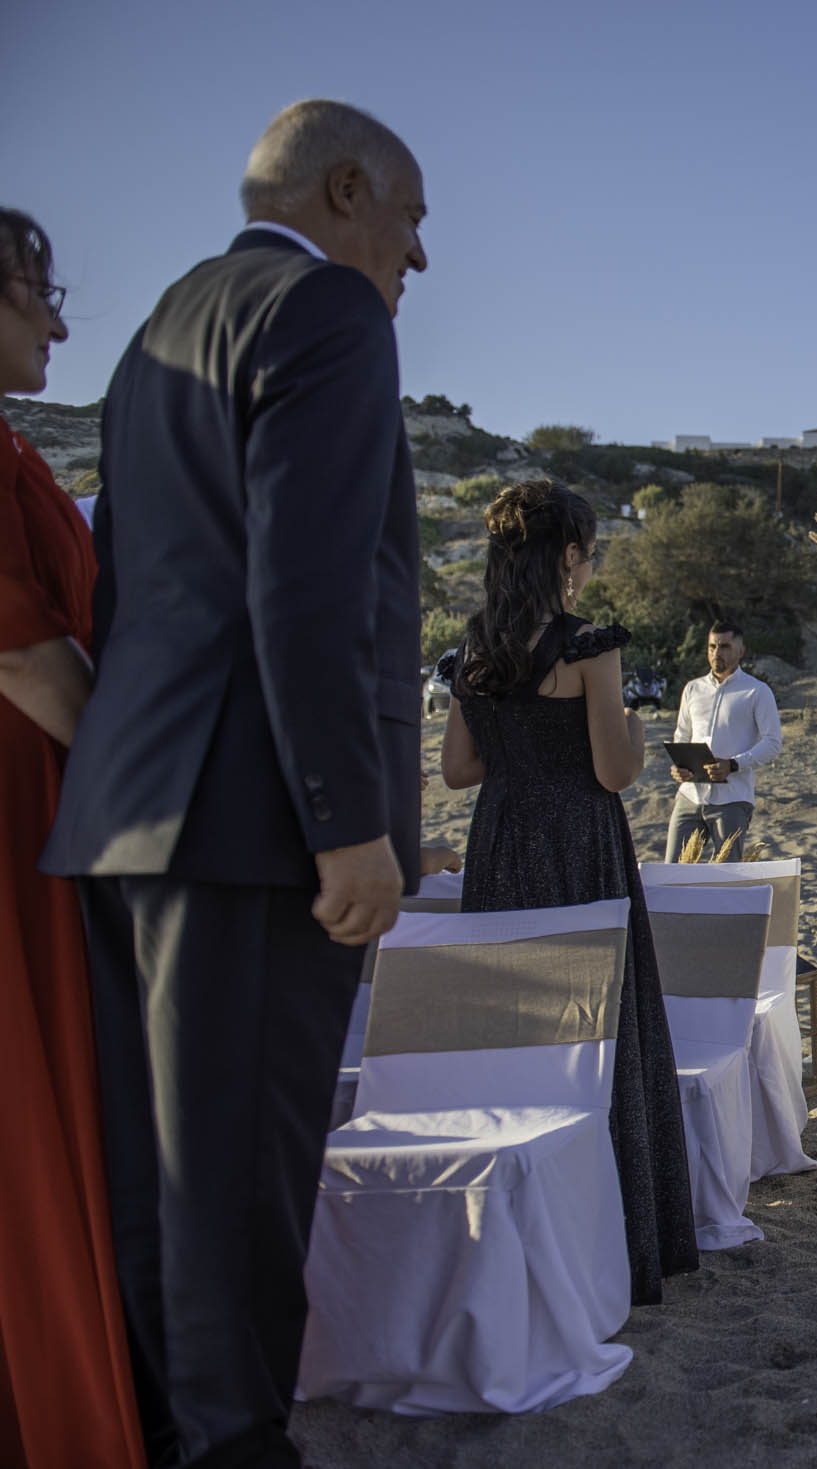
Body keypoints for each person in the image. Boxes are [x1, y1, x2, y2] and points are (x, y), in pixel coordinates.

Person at [39, 101, 429, 1468]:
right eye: (411, 218)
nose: (417, 258)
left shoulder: (155, 335)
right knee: (243, 1183)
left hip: (123, 810)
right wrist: (348, 824)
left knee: (157, 1174)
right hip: (257, 818)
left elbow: (133, 579)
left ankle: (166, 1433)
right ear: (343, 191)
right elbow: (307, 589)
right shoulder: (325, 313)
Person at [438, 479, 697, 1300]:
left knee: (512, 1034)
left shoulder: (475, 649)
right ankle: (612, 1240)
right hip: (579, 842)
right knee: (597, 1032)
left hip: (501, 838)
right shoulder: (587, 645)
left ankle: (516, 1240)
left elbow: (457, 771)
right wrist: (639, 735)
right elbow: (612, 770)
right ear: (569, 556)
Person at [0, 209, 141, 1469]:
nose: (57, 317)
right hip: (27, 813)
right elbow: (35, 664)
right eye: (38, 292)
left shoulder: (16, 453)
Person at [665, 621, 781, 862]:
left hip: (732, 798)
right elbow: (682, 734)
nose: (717, 652)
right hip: (690, 795)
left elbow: (772, 743)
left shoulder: (757, 691)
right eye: (712, 646)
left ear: (741, 651)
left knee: (726, 876)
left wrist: (733, 764)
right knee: (672, 871)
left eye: (725, 646)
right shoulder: (692, 689)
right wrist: (678, 766)